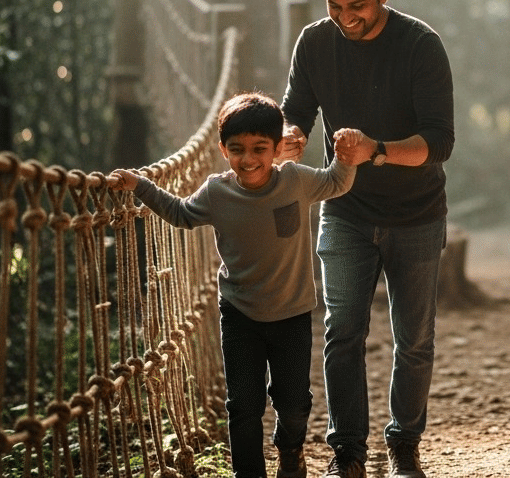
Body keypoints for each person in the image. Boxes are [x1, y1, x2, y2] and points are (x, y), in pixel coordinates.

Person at [110, 92, 360, 478]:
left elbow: (336, 182)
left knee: (294, 404)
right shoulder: (217, 192)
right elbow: (180, 213)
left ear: (277, 148)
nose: (248, 159)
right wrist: (141, 185)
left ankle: (289, 449)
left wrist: (347, 156)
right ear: (223, 150)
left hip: (292, 313)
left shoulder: (296, 181)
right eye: (237, 149)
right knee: (243, 406)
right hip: (240, 314)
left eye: (260, 148)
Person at [276, 0, 455, 478]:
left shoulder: (421, 45)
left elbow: (439, 142)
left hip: (418, 214)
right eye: (335, 6)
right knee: (342, 332)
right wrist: (289, 136)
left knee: (414, 340)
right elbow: (296, 110)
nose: (345, 17)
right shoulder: (314, 42)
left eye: (357, 5)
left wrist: (375, 150)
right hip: (345, 208)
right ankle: (348, 453)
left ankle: (403, 444)